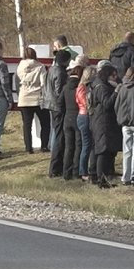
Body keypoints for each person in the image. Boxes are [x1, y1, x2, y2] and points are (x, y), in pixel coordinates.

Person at [88, 62, 121, 188]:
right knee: (102, 150)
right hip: (102, 122)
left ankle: (102, 176)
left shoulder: (100, 85)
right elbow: (107, 103)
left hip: (103, 121)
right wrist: (116, 92)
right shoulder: (101, 87)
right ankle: (101, 179)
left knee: (105, 150)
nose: (115, 78)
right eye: (113, 75)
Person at [15, 47, 49, 154]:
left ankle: (28, 148)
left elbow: (17, 82)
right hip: (37, 98)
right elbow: (43, 83)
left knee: (27, 124)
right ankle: (44, 146)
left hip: (24, 97)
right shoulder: (40, 67)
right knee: (45, 123)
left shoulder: (20, 66)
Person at [45, 48, 72, 177]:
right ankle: (55, 168)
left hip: (50, 104)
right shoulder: (60, 73)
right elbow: (59, 91)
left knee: (58, 134)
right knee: (60, 136)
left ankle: (56, 167)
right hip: (58, 107)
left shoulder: (51, 69)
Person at [60, 59, 83, 180]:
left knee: (68, 147)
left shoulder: (65, 87)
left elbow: (60, 104)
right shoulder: (80, 88)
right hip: (78, 117)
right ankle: (76, 171)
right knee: (78, 145)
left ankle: (66, 172)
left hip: (67, 118)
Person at [75, 59, 94, 182]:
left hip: (82, 115)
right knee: (86, 145)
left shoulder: (81, 87)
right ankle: (83, 171)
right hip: (85, 116)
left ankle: (85, 170)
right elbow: (85, 104)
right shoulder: (83, 88)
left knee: (87, 144)